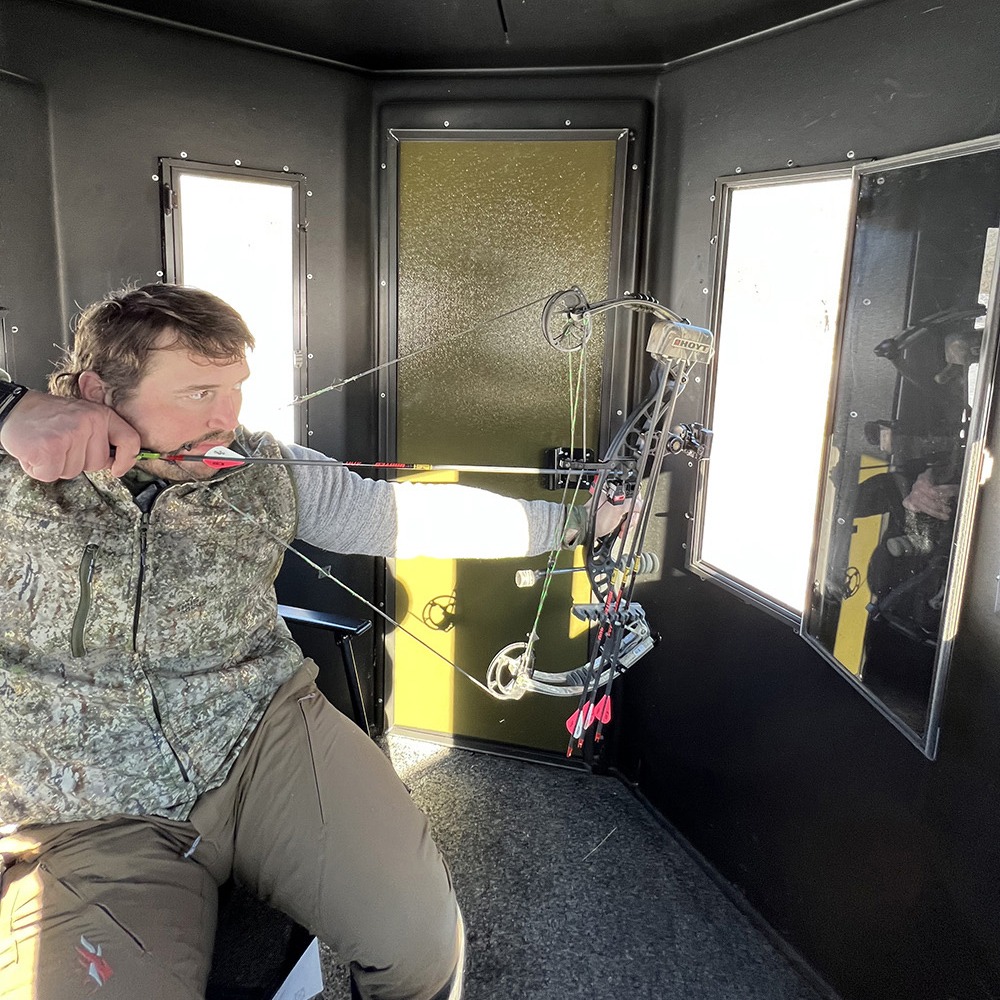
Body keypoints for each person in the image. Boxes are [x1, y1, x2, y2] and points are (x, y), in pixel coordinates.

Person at [0, 284, 627, 1000]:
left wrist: (577, 523)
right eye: (198, 393)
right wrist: (8, 409)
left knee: (421, 946)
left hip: (263, 733)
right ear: (94, 390)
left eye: (234, 391)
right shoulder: (16, 475)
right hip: (86, 806)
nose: (226, 419)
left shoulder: (264, 468)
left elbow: (401, 515)